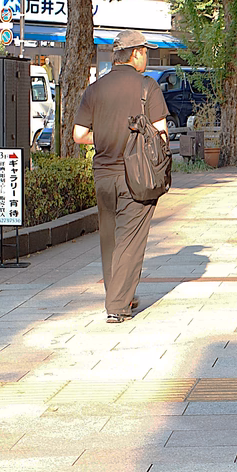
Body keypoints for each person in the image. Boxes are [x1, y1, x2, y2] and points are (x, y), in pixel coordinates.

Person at [73, 30, 169, 323]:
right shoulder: (146, 87)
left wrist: (102, 137)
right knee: (131, 238)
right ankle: (117, 305)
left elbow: (79, 135)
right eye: (145, 51)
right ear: (135, 53)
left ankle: (122, 292)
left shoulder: (95, 89)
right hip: (135, 175)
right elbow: (161, 133)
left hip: (103, 174)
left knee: (110, 237)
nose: (146, 57)